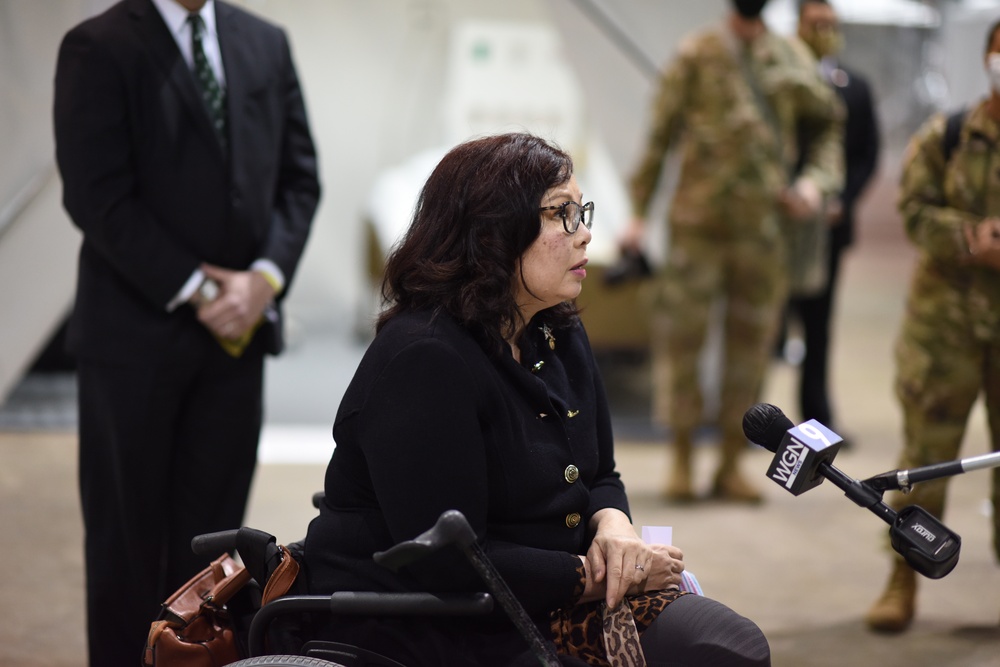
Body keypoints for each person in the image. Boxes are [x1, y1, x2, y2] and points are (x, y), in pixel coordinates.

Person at [303, 133, 770, 666]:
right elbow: (450, 560)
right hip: (439, 621)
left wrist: (614, 528)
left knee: (730, 647)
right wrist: (597, 576)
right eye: (560, 215)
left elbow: (601, 474)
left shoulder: (556, 327)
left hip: (547, 599)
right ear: (492, 234)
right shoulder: (424, 359)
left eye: (581, 211)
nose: (586, 234)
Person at [52, 0, 321, 663]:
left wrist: (263, 279)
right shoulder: (98, 45)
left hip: (236, 347)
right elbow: (96, 196)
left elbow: (300, 181)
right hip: (132, 342)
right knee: (126, 543)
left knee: (215, 551)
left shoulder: (265, 42)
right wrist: (203, 291)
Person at [624, 0, 843, 503]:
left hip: (764, 231)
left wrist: (814, 183)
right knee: (683, 342)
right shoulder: (697, 53)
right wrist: (638, 212)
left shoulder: (790, 58)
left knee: (751, 349)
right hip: (696, 228)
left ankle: (729, 462)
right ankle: (680, 456)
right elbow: (660, 135)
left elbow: (829, 124)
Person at [866, 19, 1000, 634]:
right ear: (987, 60)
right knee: (926, 458)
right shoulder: (946, 136)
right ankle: (903, 579)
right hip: (943, 329)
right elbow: (913, 211)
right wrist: (969, 238)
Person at [785, 0, 879, 435]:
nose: (823, 30)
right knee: (762, 328)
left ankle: (816, 421)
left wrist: (843, 197)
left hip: (829, 229)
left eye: (829, 23)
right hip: (778, 230)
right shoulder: (782, 81)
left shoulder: (854, 87)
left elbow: (866, 155)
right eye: (814, 22)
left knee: (819, 329)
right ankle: (752, 422)